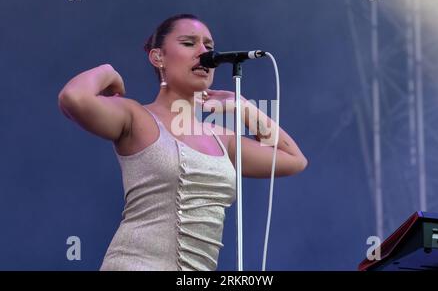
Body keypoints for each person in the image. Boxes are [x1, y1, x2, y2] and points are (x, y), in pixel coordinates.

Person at [57, 14, 308, 271]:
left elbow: (293, 159)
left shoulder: (221, 138)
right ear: (158, 57)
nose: (203, 52)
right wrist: (107, 71)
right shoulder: (136, 116)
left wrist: (243, 108)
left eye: (208, 47)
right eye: (189, 43)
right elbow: (73, 97)